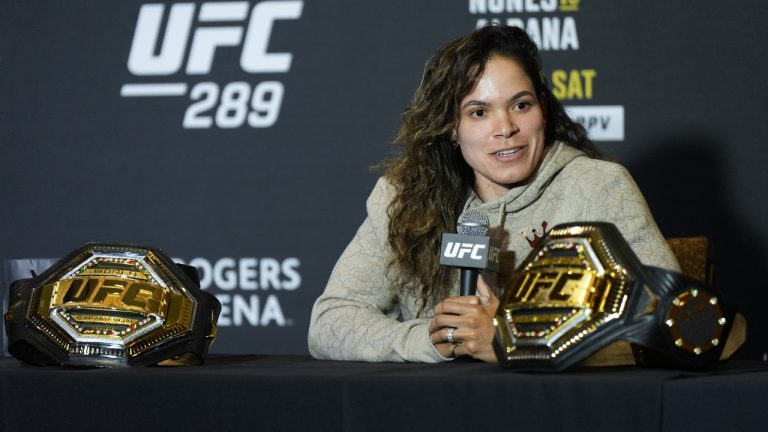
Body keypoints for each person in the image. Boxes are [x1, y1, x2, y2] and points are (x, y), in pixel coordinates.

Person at [308, 25, 679, 363]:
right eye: (479, 112)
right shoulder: (403, 197)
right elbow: (329, 323)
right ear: (451, 128)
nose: (506, 128)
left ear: (543, 111)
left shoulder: (598, 187)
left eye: (521, 105)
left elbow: (670, 319)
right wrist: (429, 339)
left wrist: (514, 338)